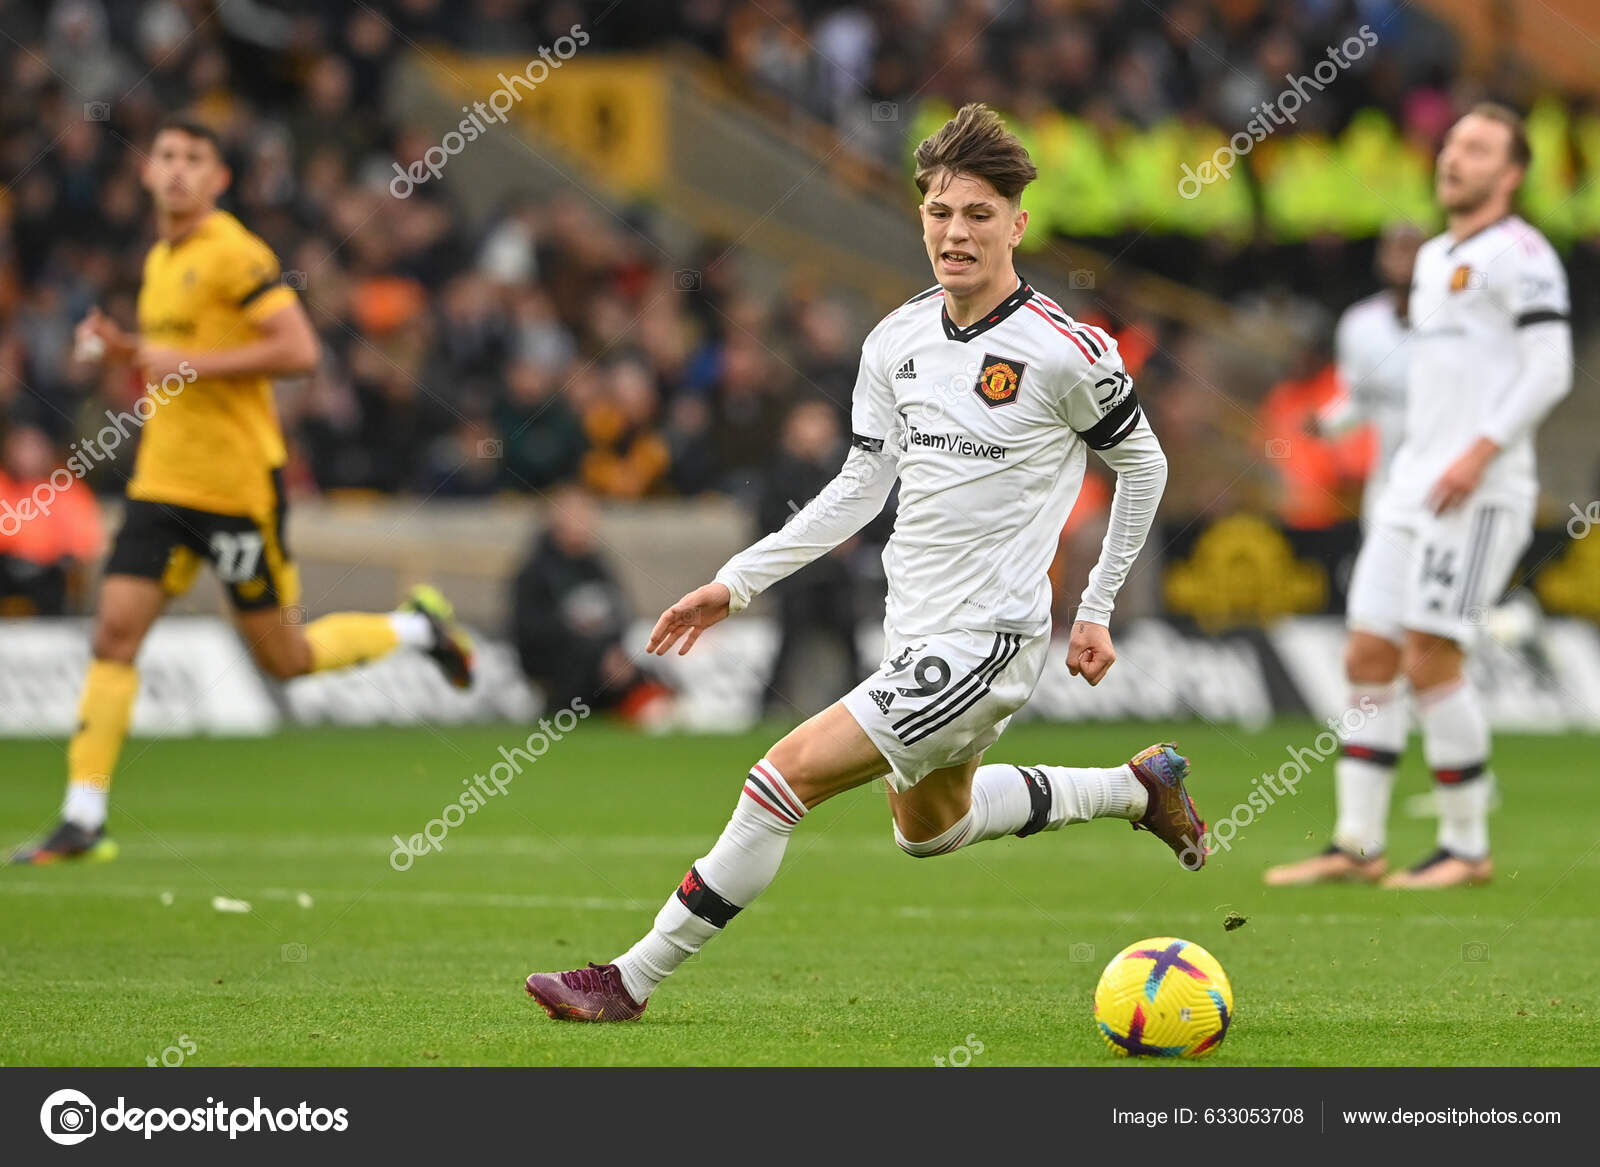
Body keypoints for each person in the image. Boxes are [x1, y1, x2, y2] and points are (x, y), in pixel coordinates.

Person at [525, 104, 1203, 1022]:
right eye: (940, 212)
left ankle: (627, 979)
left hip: (989, 640)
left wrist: (1095, 606)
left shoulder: (1063, 350)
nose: (956, 233)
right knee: (932, 830)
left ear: (1017, 224)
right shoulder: (895, 341)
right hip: (914, 628)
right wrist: (737, 581)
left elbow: (1145, 465)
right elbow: (857, 486)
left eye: (978, 214)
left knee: (780, 777)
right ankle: (1135, 788)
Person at [11, 116, 474, 867]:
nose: (177, 169)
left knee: (286, 656)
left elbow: (299, 350)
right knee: (114, 635)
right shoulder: (159, 259)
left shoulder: (234, 252)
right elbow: (176, 358)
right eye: (166, 155)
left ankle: (418, 629)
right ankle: (82, 816)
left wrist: (177, 359)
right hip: (161, 484)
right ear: (146, 171)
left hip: (235, 491)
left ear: (220, 179)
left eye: (195, 158)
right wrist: (126, 352)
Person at [1265, 105, 1572, 889]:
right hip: (1408, 486)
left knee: (1431, 654)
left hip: (1479, 490)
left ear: (1511, 174)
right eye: (1451, 144)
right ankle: (1357, 843)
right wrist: (1340, 420)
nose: (1453, 158)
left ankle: (1466, 846)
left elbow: (1551, 368)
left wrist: (1477, 453)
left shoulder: (1524, 254)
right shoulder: (1435, 257)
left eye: (1477, 148)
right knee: (1368, 652)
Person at [510, 484, 670, 722]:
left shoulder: (597, 565)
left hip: (607, 660)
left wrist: (612, 652)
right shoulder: (535, 571)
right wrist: (596, 653)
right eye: (574, 515)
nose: (583, 523)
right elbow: (528, 631)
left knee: (649, 651)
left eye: (586, 514)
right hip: (560, 667)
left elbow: (622, 613)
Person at [1316, 221, 1425, 530]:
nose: (1404, 258)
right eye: (1396, 248)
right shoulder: (1359, 324)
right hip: (1388, 481)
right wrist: (1326, 424)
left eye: (1413, 248)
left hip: (1446, 479)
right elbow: (1358, 402)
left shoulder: (1456, 322)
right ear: (1381, 258)